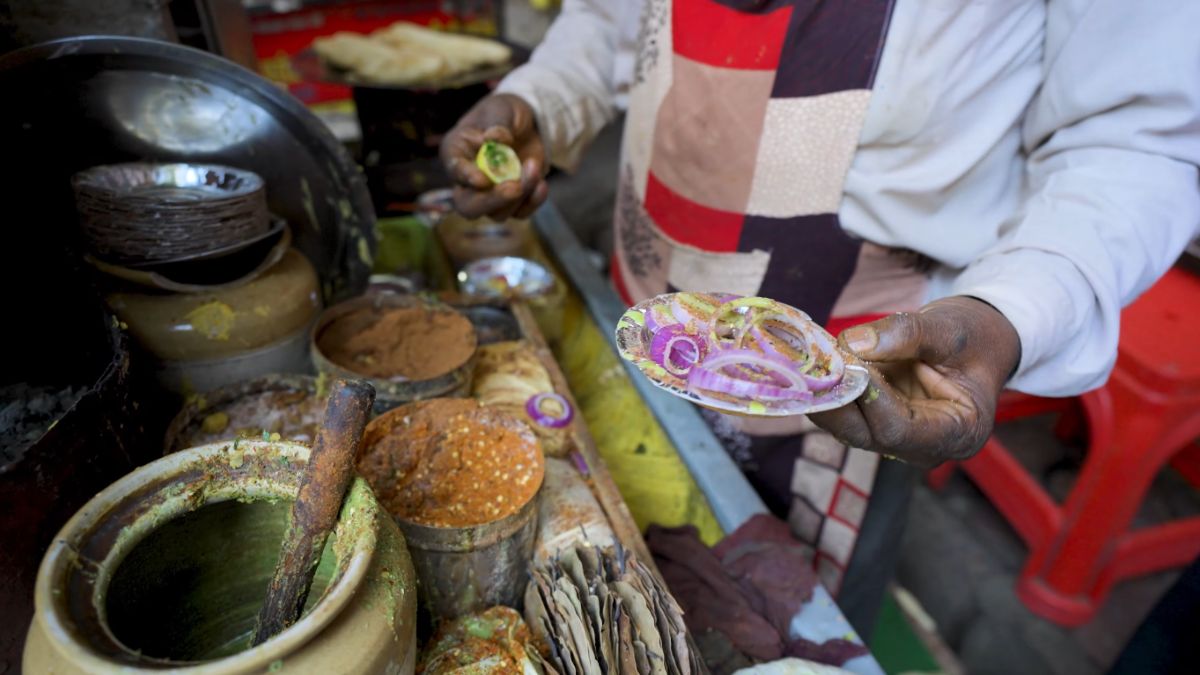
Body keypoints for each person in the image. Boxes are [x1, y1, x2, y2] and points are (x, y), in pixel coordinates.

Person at [440, 0, 1200, 636]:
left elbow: (1133, 141)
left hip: (868, 381)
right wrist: (545, 96)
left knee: (786, 627)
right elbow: (613, 19)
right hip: (647, 326)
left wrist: (1012, 310)